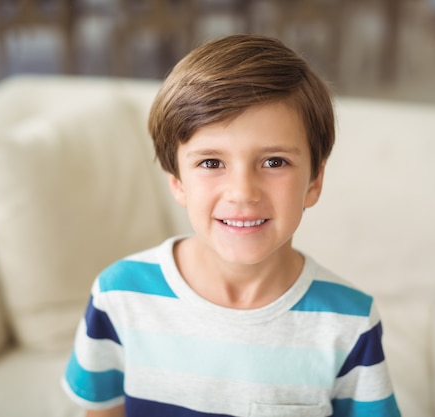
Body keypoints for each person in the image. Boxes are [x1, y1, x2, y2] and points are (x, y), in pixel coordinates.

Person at [62, 34, 401, 417]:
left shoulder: (349, 323)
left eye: (274, 162)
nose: (242, 192)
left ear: (314, 182)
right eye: (211, 163)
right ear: (177, 181)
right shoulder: (118, 296)